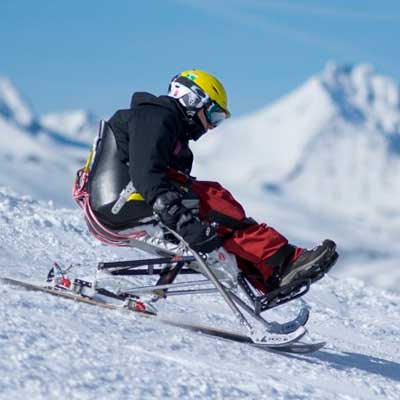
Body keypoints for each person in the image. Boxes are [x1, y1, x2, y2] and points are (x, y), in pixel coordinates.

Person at [91, 69, 337, 293]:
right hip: (121, 201)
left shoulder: (165, 128)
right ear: (192, 100)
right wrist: (184, 222)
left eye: (217, 120)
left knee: (219, 213)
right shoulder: (155, 117)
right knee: (217, 203)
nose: (211, 126)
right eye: (213, 115)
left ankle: (272, 275)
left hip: (123, 202)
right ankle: (284, 264)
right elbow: (147, 174)